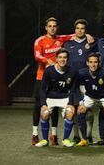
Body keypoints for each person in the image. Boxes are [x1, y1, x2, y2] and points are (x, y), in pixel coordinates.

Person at [32, 17, 75, 146]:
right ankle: (35, 134)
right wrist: (48, 61)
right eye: (50, 26)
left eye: (54, 26)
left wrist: (88, 35)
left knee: (55, 105)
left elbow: (73, 35)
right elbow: (37, 55)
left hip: (56, 77)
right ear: (46, 28)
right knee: (39, 105)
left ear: (57, 27)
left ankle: (54, 135)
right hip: (42, 77)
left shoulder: (60, 39)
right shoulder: (40, 40)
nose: (52, 28)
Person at [63, 19, 98, 144]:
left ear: (86, 30)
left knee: (88, 111)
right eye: (77, 28)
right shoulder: (67, 44)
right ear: (74, 29)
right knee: (75, 110)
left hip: (88, 81)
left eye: (82, 28)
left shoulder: (93, 42)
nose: (79, 30)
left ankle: (88, 135)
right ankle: (77, 135)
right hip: (73, 83)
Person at [35, 48, 77, 147]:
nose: (62, 60)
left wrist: (70, 103)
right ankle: (45, 140)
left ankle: (65, 140)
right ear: (56, 59)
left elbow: (73, 89)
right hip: (51, 97)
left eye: (65, 57)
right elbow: (43, 89)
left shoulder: (72, 71)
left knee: (70, 113)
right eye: (60, 57)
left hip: (65, 97)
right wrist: (43, 104)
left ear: (68, 59)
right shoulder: (49, 71)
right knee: (44, 114)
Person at [75, 53, 104, 147]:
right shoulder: (81, 73)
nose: (93, 64)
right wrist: (80, 101)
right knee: (80, 111)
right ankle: (84, 139)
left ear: (99, 63)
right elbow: (75, 87)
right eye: (91, 62)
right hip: (90, 97)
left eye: (95, 62)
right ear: (87, 63)